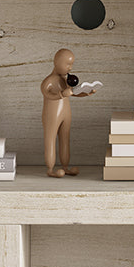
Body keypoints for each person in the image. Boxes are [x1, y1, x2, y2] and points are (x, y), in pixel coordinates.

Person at [40, 48, 95, 178]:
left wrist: (86, 93)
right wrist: (61, 94)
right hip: (52, 114)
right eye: (67, 64)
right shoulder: (49, 80)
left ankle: (65, 166)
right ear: (57, 62)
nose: (70, 68)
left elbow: (72, 93)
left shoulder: (65, 80)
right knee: (51, 139)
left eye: (71, 64)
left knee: (65, 139)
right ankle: (50, 168)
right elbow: (46, 92)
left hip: (65, 113)